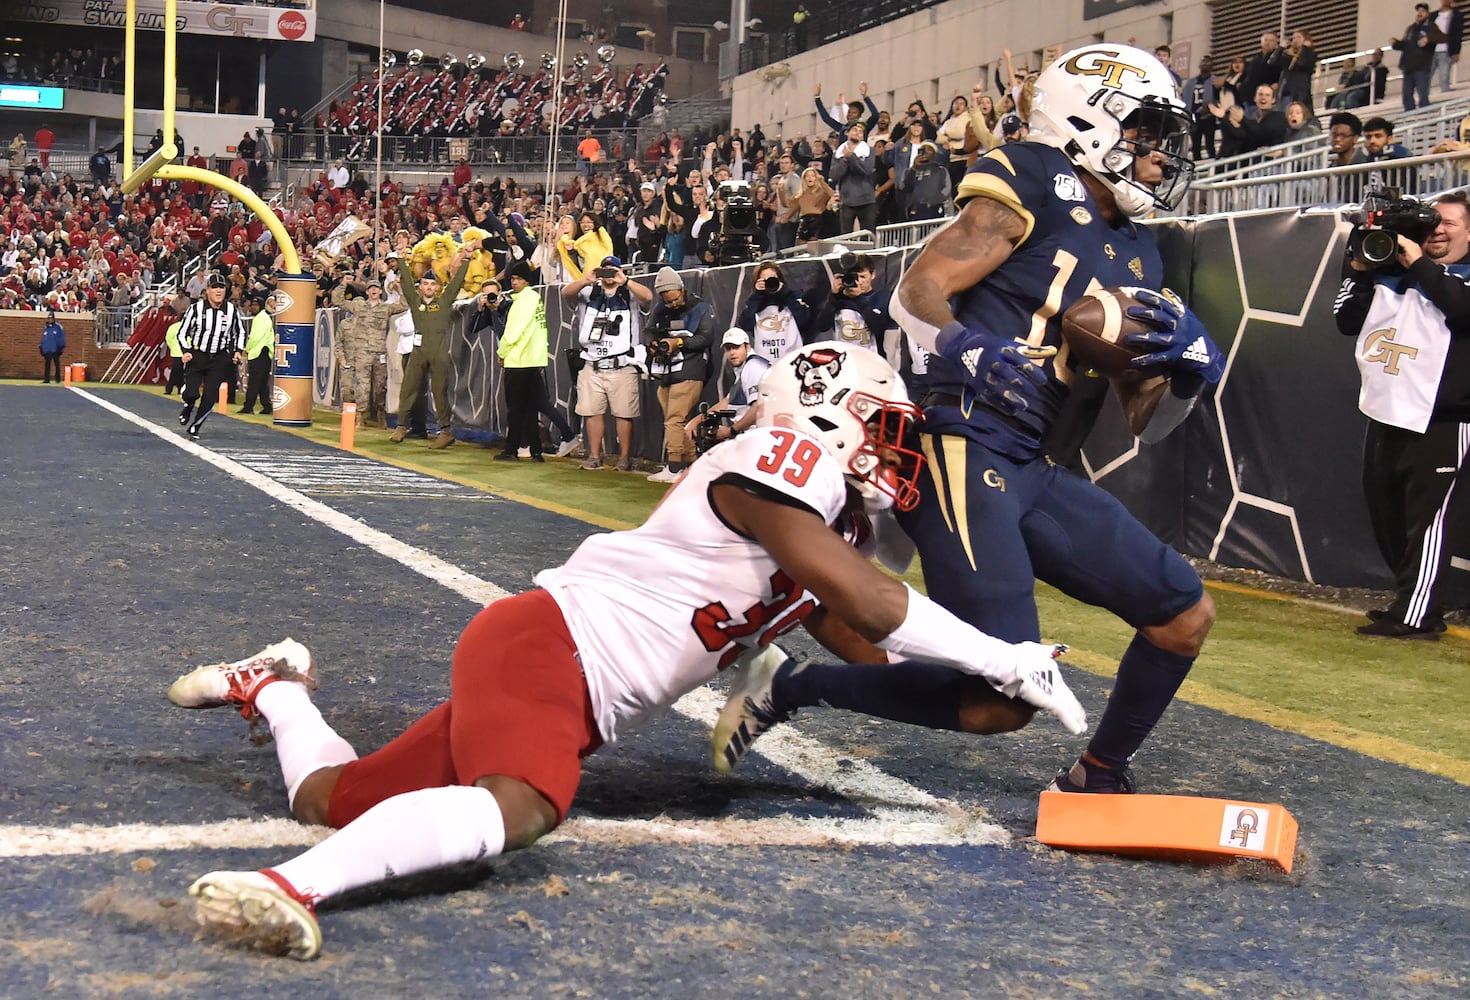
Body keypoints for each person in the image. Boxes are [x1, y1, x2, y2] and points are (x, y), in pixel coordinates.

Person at [166, 342, 1083, 962]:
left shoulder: (833, 529)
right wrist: (1001, 654)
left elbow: (874, 649)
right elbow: (873, 602)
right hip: (553, 649)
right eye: (877, 423)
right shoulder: (778, 462)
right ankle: (283, 890)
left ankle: (273, 688)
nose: (893, 445)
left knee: (329, 800)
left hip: (564, 688)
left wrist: (990, 688)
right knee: (521, 809)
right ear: (821, 415)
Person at [715, 44, 1225, 795]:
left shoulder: (1141, 250)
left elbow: (1143, 419)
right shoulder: (1033, 176)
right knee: (999, 699)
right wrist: (969, 346)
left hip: (1034, 465)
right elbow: (918, 289)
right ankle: (786, 686)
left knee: (1184, 613)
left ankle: (1096, 776)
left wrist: (1185, 371)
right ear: (1090, 120)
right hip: (961, 442)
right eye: (1146, 132)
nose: (1160, 154)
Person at [1333, 190, 1470, 638]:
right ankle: (1408, 600)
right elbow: (1346, 319)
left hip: (1443, 420)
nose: (1438, 230)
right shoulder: (1390, 270)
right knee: (1388, 514)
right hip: (1385, 409)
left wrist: (1420, 264)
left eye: (1449, 223)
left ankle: (1417, 615)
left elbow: (1462, 308)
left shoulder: (1456, 277)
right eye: (1432, 222)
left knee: (1428, 523)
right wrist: (1359, 268)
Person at [561, 254, 651, 471]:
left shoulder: (629, 292)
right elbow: (566, 293)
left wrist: (625, 281)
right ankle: (594, 456)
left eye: (613, 269)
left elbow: (648, 298)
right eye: (605, 269)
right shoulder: (589, 292)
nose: (609, 274)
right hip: (592, 362)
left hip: (622, 363)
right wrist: (586, 280)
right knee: (592, 412)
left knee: (624, 413)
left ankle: (625, 457)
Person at [388, 250, 472, 449]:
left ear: (437, 287)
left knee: (439, 391)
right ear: (421, 287)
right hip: (418, 351)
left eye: (432, 284)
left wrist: (466, 260)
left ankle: (445, 432)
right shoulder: (415, 302)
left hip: (439, 352)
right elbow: (407, 285)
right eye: (425, 283)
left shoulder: (443, 302)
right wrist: (401, 259)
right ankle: (401, 426)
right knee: (408, 387)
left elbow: (456, 284)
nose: (428, 287)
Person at [644, 267, 714, 482]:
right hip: (666, 370)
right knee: (676, 420)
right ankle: (692, 465)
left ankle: (674, 467)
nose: (673, 304)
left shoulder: (701, 308)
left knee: (674, 419)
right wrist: (653, 344)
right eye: (668, 301)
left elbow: (706, 338)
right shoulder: (660, 309)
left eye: (675, 299)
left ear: (682, 290)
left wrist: (680, 342)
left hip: (691, 368)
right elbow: (648, 331)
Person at [176, 273, 247, 441]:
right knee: (191, 393)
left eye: (221, 287)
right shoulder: (196, 309)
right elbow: (182, 333)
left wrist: (238, 351)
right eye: (214, 287)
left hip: (219, 357)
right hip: (197, 355)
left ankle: (195, 426)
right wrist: (186, 350)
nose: (218, 291)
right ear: (207, 290)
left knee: (210, 396)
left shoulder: (231, 310)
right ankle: (188, 405)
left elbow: (240, 332)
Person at [494, 260, 550, 462]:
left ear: (526, 280)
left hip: (518, 361)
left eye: (518, 279)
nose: (514, 282)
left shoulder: (523, 301)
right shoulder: (535, 299)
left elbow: (513, 332)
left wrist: (502, 353)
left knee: (515, 410)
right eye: (513, 279)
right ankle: (536, 451)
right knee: (530, 410)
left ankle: (512, 450)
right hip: (533, 361)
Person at [334, 277, 408, 427]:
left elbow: (404, 305)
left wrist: (399, 289)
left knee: (380, 386)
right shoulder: (359, 306)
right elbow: (337, 301)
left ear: (380, 291)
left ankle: (380, 411)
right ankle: (360, 415)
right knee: (363, 385)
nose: (373, 290)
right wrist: (344, 284)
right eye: (370, 288)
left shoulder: (386, 308)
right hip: (362, 352)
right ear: (367, 292)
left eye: (376, 288)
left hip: (380, 352)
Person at [683, 328, 771, 446]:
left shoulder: (753, 367)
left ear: (747, 347)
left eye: (736, 347)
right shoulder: (745, 368)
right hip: (756, 434)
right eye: (728, 348)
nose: (732, 353)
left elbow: (758, 408)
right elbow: (727, 402)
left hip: (759, 436)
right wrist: (697, 420)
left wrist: (730, 431)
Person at [735, 261, 813, 363]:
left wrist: (784, 292)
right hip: (764, 363)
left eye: (773, 278)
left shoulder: (792, 297)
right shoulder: (755, 303)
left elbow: (805, 321)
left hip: (792, 361)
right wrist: (757, 295)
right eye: (765, 280)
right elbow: (745, 325)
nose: (770, 282)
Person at [1392, 3, 1445, 112]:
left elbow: (1442, 37)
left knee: (1422, 93)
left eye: (1422, 11)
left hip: (1421, 66)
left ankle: (1425, 112)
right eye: (1418, 11)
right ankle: (1409, 112)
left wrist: (1428, 39)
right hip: (1408, 66)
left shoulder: (1431, 27)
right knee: (1407, 94)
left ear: (1427, 14)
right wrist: (1395, 43)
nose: (1420, 13)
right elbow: (1405, 45)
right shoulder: (1411, 28)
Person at [1210, 84, 1287, 158]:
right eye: (1260, 94)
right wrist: (1223, 117)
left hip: (1271, 163)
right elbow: (1241, 135)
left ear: (1273, 100)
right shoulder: (1252, 119)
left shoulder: (1279, 117)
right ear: (1255, 98)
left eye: (1267, 95)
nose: (1263, 97)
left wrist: (1242, 120)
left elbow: (1262, 133)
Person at [830, 122, 877, 235]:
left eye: (861, 132)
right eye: (855, 130)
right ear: (847, 133)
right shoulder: (839, 153)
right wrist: (845, 160)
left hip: (866, 199)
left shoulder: (869, 150)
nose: (858, 133)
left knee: (868, 235)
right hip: (846, 200)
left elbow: (866, 170)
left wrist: (851, 157)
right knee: (846, 236)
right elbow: (834, 175)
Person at [238, 294, 276, 416]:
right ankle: (267, 406)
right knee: (262, 382)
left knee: (254, 382)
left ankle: (248, 406)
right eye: (252, 305)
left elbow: (255, 337)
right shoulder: (263, 317)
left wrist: (247, 348)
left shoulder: (261, 318)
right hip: (264, 353)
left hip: (258, 353)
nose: (253, 307)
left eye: (256, 305)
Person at [1278, 29, 1318, 115]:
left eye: (1299, 37)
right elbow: (1273, 62)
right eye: (1294, 38)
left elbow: (1303, 64)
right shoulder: (1288, 55)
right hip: (1285, 93)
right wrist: (1280, 48)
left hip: (1300, 95)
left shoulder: (1309, 54)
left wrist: (1305, 49)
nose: (1295, 40)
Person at [1433, 0, 1465, 94]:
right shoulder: (1433, 15)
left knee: (1444, 75)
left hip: (1445, 50)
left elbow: (1458, 35)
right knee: (1426, 75)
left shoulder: (1456, 15)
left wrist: (1456, 52)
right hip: (1431, 50)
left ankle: (1445, 93)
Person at [163, 296, 187, 396]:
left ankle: (174, 388)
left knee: (177, 371)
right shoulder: (187, 327)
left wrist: (172, 347)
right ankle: (173, 388)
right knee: (179, 372)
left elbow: (168, 338)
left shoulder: (173, 326)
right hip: (183, 352)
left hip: (177, 352)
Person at [39, 309, 65, 383]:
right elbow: (44, 338)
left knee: (57, 364)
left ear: (53, 319)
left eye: (51, 318)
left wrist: (60, 348)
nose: (49, 320)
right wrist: (41, 347)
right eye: (48, 318)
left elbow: (61, 338)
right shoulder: (46, 328)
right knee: (47, 365)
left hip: (55, 349)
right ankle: (47, 379)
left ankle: (57, 378)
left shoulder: (58, 327)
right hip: (47, 349)